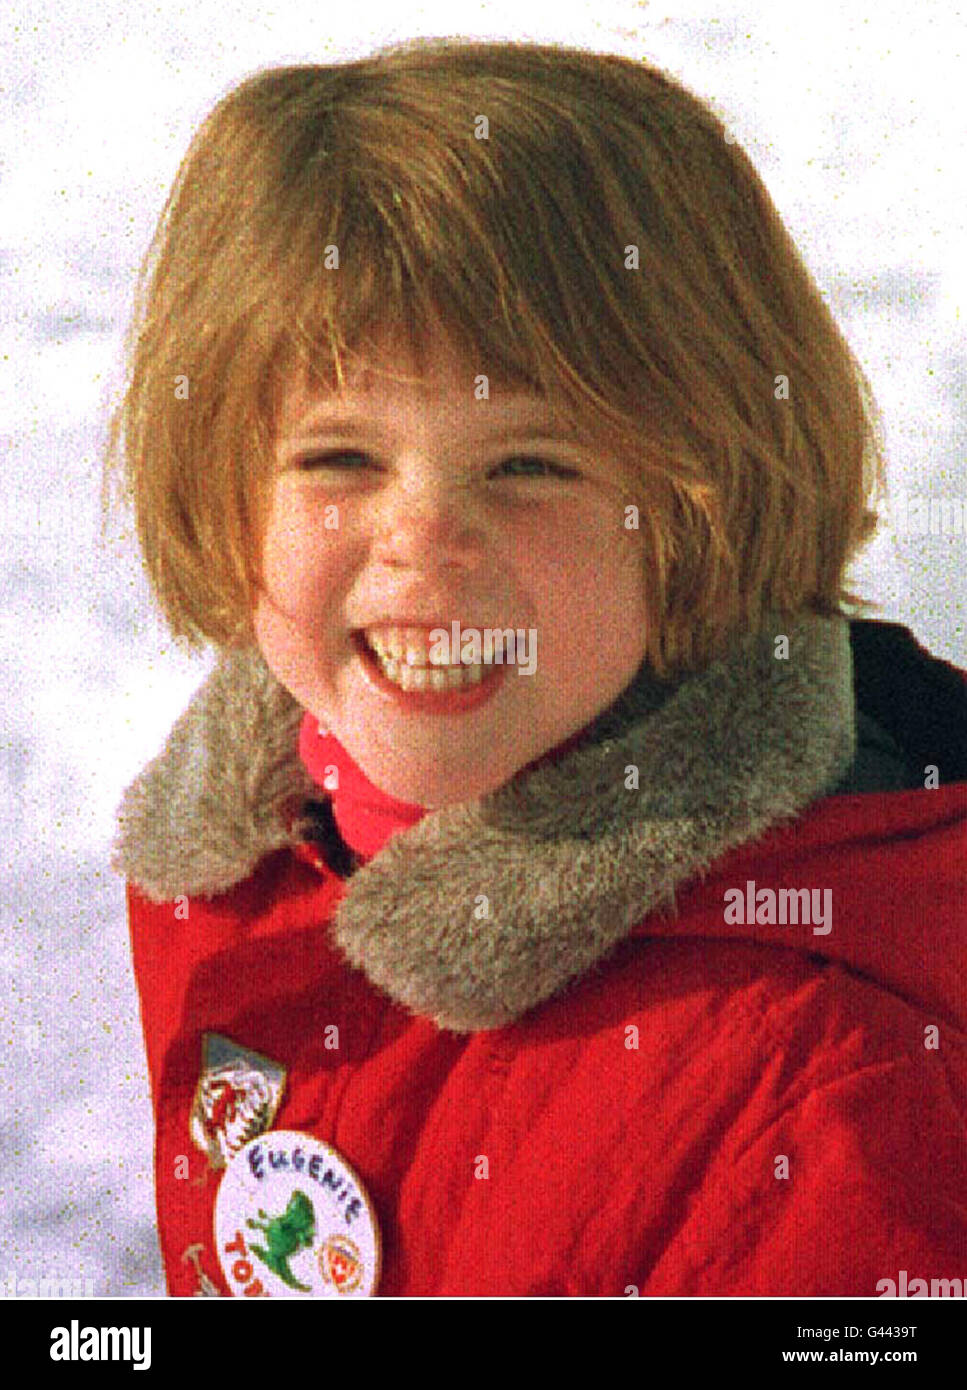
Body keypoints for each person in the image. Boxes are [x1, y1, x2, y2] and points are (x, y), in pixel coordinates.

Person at [105, 37, 967, 1298]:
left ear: (700, 506)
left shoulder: (821, 1082)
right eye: (337, 458)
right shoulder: (253, 864)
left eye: (530, 465)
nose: (421, 545)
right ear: (220, 489)